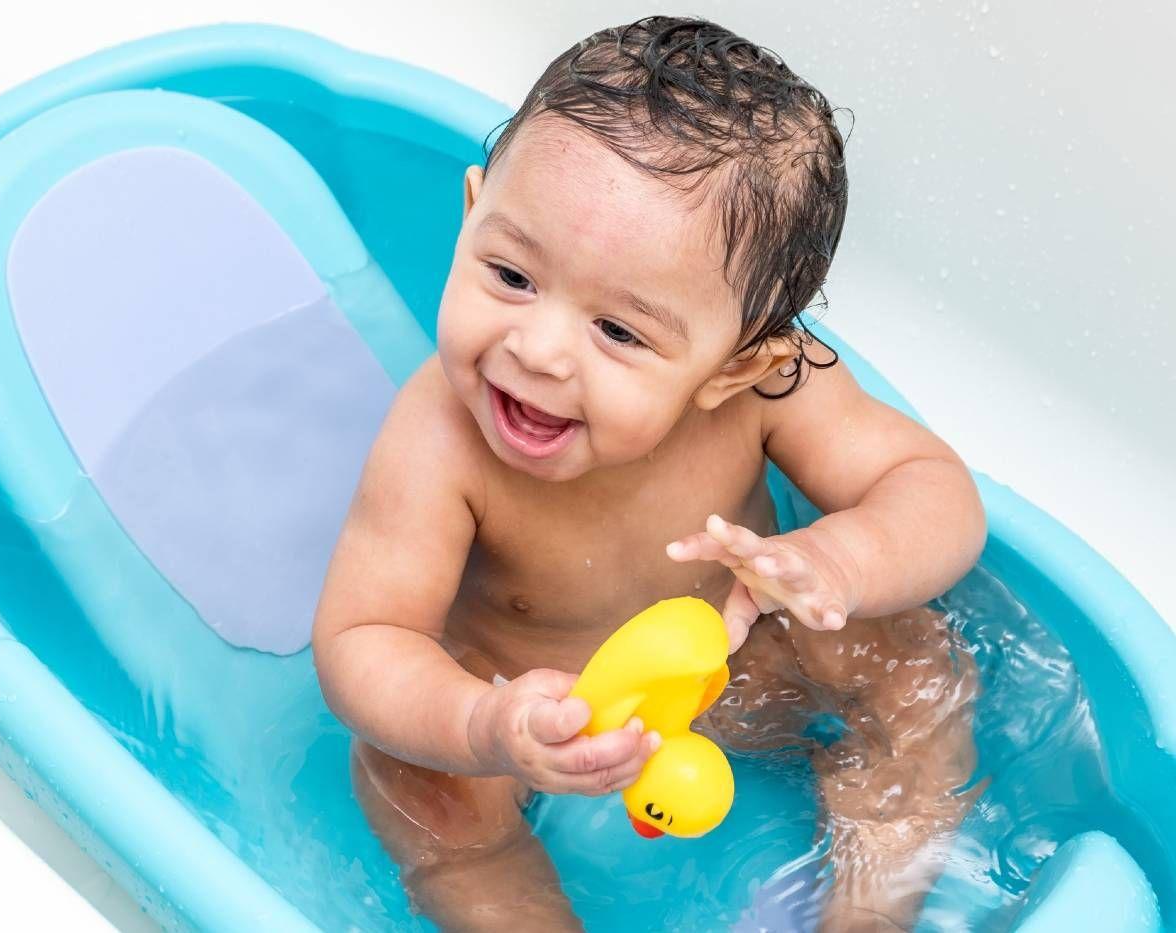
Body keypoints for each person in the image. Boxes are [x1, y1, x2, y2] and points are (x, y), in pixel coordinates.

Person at [312, 15, 986, 931]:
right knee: (413, 779)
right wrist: (483, 725)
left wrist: (837, 561)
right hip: (538, 709)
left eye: (618, 331)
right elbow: (364, 638)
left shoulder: (774, 388)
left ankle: (867, 913)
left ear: (736, 367)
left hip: (739, 665)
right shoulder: (437, 436)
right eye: (511, 275)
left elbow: (933, 489)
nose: (538, 349)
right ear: (470, 216)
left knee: (913, 659)